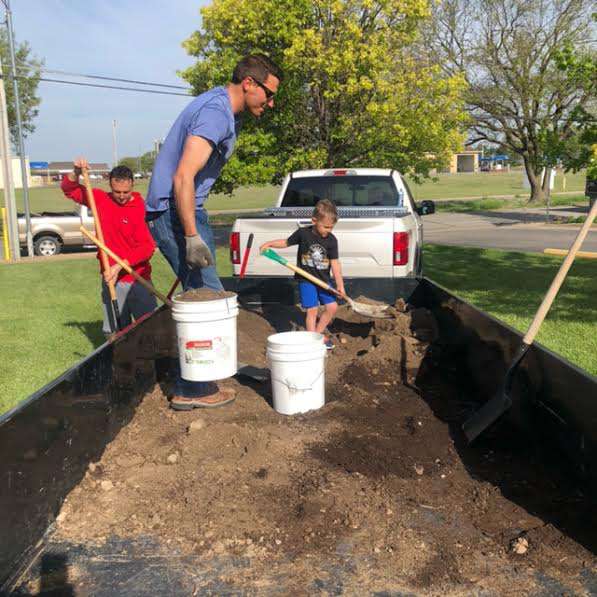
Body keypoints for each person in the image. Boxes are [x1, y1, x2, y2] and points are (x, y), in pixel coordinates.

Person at [145, 53, 283, 410]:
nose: (271, 103)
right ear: (249, 83)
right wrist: (191, 236)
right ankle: (192, 389)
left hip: (185, 211)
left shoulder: (220, 109)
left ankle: (206, 374)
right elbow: (183, 176)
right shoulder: (216, 113)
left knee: (209, 296)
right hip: (174, 214)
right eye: (269, 94)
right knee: (205, 299)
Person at [61, 158, 157, 336]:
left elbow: (147, 247)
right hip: (111, 281)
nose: (121, 196)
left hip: (138, 279)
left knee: (150, 333)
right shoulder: (99, 199)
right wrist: (76, 172)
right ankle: (117, 363)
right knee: (114, 335)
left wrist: (119, 265)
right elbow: (69, 189)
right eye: (117, 191)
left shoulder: (140, 207)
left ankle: (150, 364)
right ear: (110, 185)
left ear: (133, 185)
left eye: (125, 192)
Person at [260, 199, 345, 349]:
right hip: (306, 280)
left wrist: (340, 285)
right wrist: (269, 244)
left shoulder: (332, 240)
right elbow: (286, 242)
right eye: (326, 227)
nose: (329, 230)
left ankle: (316, 336)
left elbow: (335, 264)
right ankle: (312, 340)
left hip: (324, 280)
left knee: (332, 307)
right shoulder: (303, 233)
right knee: (312, 310)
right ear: (314, 220)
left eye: (331, 227)